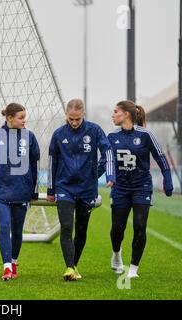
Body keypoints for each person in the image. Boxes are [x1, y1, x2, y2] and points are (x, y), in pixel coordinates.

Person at [99, 100, 173, 278]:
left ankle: (133, 268)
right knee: (118, 228)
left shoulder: (146, 134)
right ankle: (116, 254)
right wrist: (89, 181)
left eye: (116, 111)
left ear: (126, 114)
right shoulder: (112, 136)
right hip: (121, 189)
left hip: (142, 187)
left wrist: (167, 178)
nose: (113, 115)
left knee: (140, 226)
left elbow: (161, 157)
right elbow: (104, 162)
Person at [47, 98, 115, 281]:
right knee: (67, 227)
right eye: (71, 119)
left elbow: (107, 150)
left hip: (87, 189)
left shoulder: (94, 130)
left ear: (83, 114)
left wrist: (108, 175)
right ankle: (69, 267)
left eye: (77, 119)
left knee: (82, 230)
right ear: (66, 115)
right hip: (65, 188)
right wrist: (51, 190)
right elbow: (52, 161)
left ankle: (74, 264)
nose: (75, 122)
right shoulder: (59, 134)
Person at [0, 103, 40, 281]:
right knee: (4, 227)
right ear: (9, 118)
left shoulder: (30, 137)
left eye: (25, 117)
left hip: (22, 192)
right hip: (0, 193)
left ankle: (14, 262)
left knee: (17, 231)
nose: (24, 121)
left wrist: (33, 190)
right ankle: (7, 268)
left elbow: (35, 165)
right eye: (21, 117)